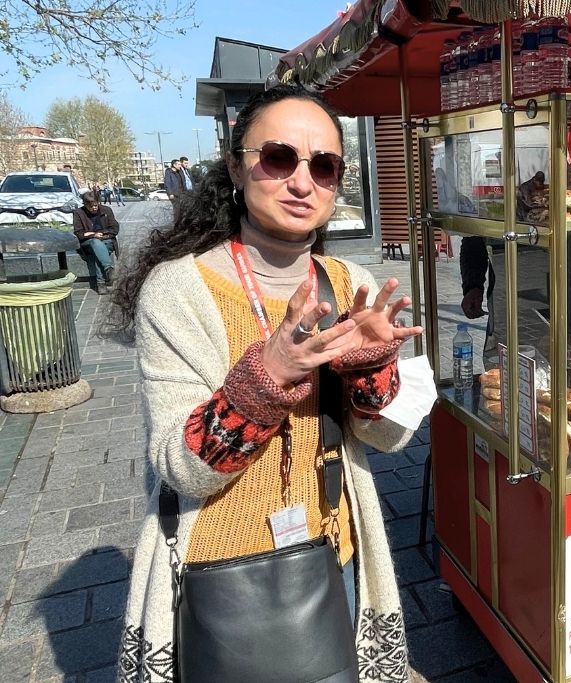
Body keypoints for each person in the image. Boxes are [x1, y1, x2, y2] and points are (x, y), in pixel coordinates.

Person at [108, 85, 421, 682]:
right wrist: (266, 379)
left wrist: (370, 370)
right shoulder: (178, 291)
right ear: (235, 165)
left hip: (335, 550)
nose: (302, 183)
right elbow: (177, 465)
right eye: (279, 158)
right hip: (222, 571)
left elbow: (387, 440)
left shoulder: (349, 280)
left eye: (324, 167)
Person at [72, 191, 119, 295]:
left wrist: (98, 233)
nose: (94, 208)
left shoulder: (106, 210)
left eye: (95, 205)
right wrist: (93, 235)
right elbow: (79, 234)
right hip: (88, 243)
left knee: (98, 250)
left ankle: (101, 284)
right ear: (85, 205)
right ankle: (108, 268)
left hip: (106, 240)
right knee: (95, 243)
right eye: (91, 206)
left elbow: (115, 229)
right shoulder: (78, 213)